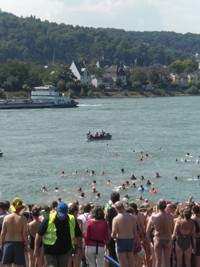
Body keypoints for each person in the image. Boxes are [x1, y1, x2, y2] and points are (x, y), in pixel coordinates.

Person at [34, 202, 82, 267]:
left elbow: (78, 235)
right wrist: (36, 249)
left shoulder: (72, 219)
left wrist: (79, 247)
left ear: (67, 212)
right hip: (50, 252)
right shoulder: (49, 219)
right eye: (60, 215)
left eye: (63, 215)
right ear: (56, 211)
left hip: (65, 252)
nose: (61, 217)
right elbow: (39, 234)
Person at [0, 197, 28, 266]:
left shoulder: (6, 217)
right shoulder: (23, 219)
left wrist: (1, 244)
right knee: (19, 265)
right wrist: (26, 245)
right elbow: (25, 233)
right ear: (21, 208)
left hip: (8, 243)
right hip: (19, 244)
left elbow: (3, 233)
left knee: (8, 265)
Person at [146, 199, 174, 267]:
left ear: (158, 206)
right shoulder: (170, 216)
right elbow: (172, 229)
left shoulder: (153, 217)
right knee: (167, 262)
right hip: (167, 239)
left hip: (158, 239)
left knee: (158, 262)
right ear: (165, 206)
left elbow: (147, 230)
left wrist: (149, 240)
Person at [111, 201, 137, 267]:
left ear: (116, 209)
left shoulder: (116, 219)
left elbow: (114, 233)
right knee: (131, 261)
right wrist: (135, 241)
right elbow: (135, 231)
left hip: (121, 240)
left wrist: (113, 236)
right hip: (130, 240)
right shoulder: (131, 217)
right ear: (123, 207)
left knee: (123, 264)